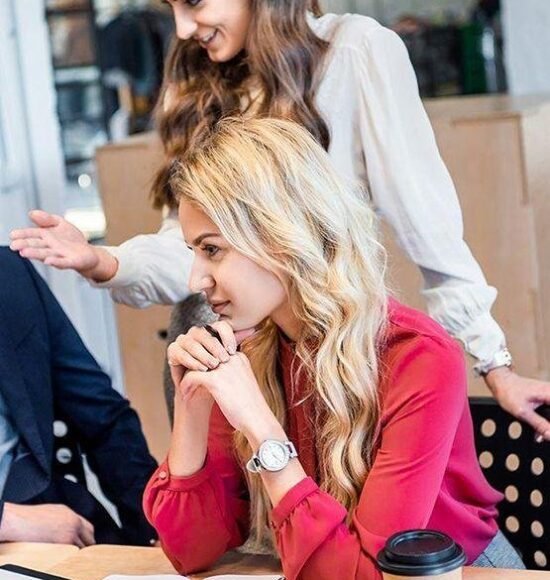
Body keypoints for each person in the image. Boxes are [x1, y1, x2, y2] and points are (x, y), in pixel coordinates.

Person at [10, 0, 550, 438]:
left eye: (193, 2)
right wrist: (101, 261)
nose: (182, 27)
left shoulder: (355, 53)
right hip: (218, 354)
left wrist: (493, 362)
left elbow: (426, 221)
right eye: (170, 6)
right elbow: (188, 249)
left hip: (326, 358)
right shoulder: (197, 79)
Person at [143, 117, 524, 578]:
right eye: (193, 252)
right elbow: (192, 552)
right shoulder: (248, 350)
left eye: (212, 250)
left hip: (466, 573)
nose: (195, 281)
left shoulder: (417, 356)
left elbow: (362, 574)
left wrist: (262, 428)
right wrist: (191, 404)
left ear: (280, 238)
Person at [0, 247, 158, 547]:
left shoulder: (9, 273)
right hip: (26, 526)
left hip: (52, 521)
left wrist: (158, 527)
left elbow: (99, 414)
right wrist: (5, 521)